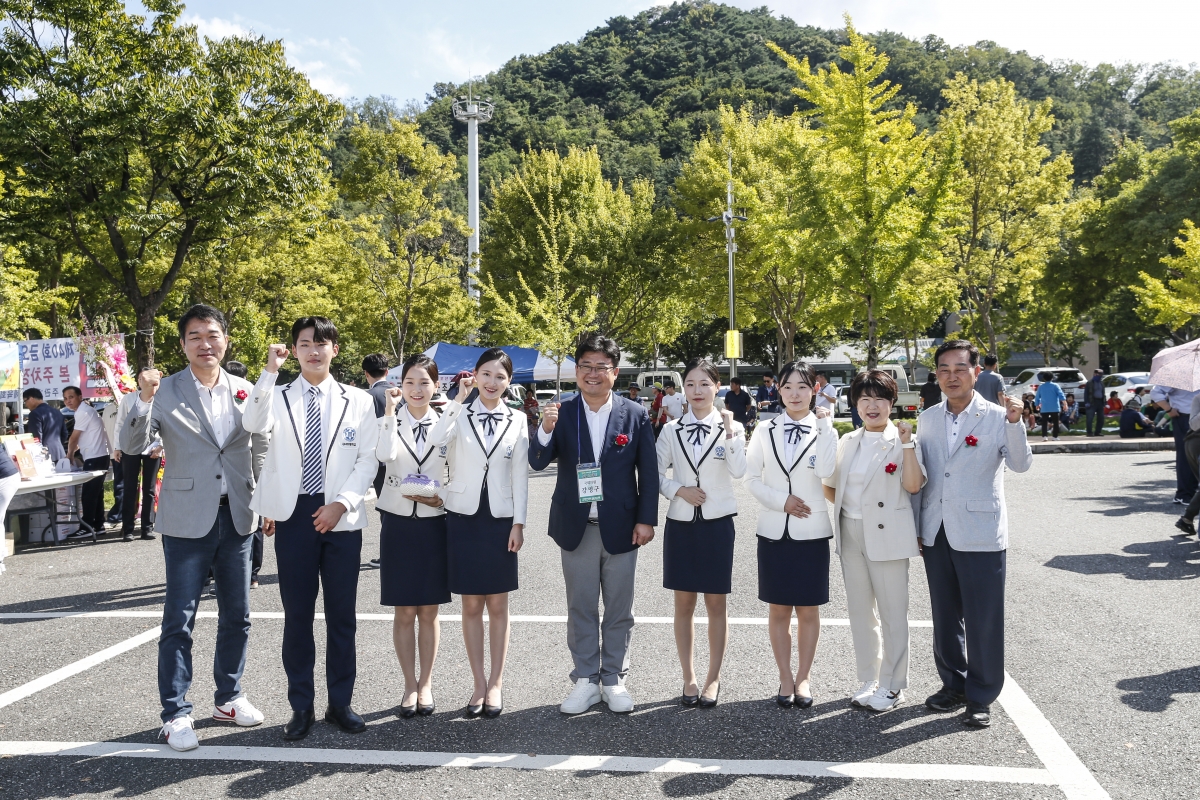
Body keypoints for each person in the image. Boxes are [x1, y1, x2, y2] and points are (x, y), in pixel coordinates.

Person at [121, 304, 268, 752]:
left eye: (213, 334)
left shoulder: (245, 389)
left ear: (226, 340)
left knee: (238, 616)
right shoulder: (164, 390)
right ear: (183, 344)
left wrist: (262, 498)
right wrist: (142, 398)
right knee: (179, 620)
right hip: (186, 518)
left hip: (238, 515)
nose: (206, 343)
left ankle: (229, 696)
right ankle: (175, 713)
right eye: (195, 336)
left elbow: (258, 446)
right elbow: (131, 444)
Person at [242, 317, 380, 741]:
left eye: (322, 343)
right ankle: (300, 705)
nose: (314, 350)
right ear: (295, 350)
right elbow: (250, 423)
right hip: (294, 515)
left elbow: (368, 459)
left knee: (343, 616)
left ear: (335, 349)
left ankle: (340, 703)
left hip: (341, 512)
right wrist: (269, 370)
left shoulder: (358, 399)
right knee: (297, 616)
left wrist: (341, 504)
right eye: (305, 344)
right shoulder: (278, 394)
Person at [529, 333, 657, 715]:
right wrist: (544, 428)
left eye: (601, 367)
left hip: (622, 526)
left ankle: (614, 677)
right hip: (576, 526)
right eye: (585, 366)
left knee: (619, 609)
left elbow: (647, 474)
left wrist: (646, 520)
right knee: (581, 606)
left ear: (615, 373)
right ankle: (586, 679)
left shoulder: (633, 414)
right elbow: (537, 461)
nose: (592, 373)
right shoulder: (562, 411)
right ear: (577, 371)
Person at [916, 339, 1031, 729]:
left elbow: (1019, 465)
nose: (951, 376)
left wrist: (1016, 424)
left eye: (960, 368)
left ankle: (981, 695)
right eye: (944, 369)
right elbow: (928, 477)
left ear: (976, 373)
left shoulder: (999, 416)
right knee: (945, 615)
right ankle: (953, 684)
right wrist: (919, 526)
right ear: (936, 375)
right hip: (936, 530)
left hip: (980, 530)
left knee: (983, 619)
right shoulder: (928, 418)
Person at [427, 348, 528, 719]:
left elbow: (521, 476)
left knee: (499, 605)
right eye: (486, 374)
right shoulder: (458, 414)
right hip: (464, 516)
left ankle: (497, 683)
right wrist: (457, 401)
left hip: (501, 519)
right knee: (471, 605)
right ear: (475, 376)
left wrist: (519, 522)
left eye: (499, 377)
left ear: (508, 382)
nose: (491, 382)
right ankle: (478, 684)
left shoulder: (517, 420)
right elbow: (434, 444)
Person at [824, 370, 925, 712]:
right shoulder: (848, 441)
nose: (872, 405)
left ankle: (893, 686)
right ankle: (870, 677)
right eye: (864, 398)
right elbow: (831, 485)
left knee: (893, 612)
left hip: (887, 534)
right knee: (860, 611)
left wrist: (909, 443)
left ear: (892, 403)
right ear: (855, 403)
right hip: (850, 532)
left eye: (880, 398)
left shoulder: (902, 440)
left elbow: (913, 486)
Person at [744, 360, 837, 709]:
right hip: (773, 529)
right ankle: (785, 676)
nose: (794, 394)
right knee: (779, 609)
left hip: (812, 531)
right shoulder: (764, 430)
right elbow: (751, 479)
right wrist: (781, 501)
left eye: (802, 386)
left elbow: (827, 472)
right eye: (787, 387)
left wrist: (827, 430)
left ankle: (805, 677)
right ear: (778, 390)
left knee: (809, 609)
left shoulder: (825, 428)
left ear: (814, 389)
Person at [656, 358, 745, 707]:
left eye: (704, 384)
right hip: (680, 523)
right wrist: (679, 490)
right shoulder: (670, 429)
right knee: (683, 603)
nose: (697, 391)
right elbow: (654, 473)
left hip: (718, 523)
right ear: (683, 389)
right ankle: (689, 677)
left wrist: (730, 430)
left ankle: (713, 678)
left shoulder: (731, 427)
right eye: (690, 384)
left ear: (717, 388)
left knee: (716, 604)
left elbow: (739, 470)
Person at [375, 353, 450, 718]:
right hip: (399, 521)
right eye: (409, 383)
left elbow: (457, 471)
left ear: (436, 385)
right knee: (404, 610)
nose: (417, 390)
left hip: (436, 519)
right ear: (399, 386)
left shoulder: (449, 422)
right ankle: (408, 684)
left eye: (424, 382)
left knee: (430, 611)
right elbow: (384, 455)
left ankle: (427, 684)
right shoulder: (387, 421)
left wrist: (443, 497)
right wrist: (390, 414)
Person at [223, 361, 263, 587]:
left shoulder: (251, 394)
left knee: (251, 524)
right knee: (251, 524)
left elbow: (260, 437)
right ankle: (252, 573)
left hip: (245, 471)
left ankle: (251, 572)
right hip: (243, 471)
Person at [113, 368, 163, 542]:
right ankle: (127, 528)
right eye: (142, 378)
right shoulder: (128, 399)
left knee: (149, 489)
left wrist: (161, 446)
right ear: (138, 381)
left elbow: (166, 423)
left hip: (153, 447)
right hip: (130, 447)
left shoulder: (160, 398)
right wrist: (118, 447)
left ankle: (147, 528)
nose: (145, 381)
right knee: (129, 487)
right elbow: (120, 423)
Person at [63, 385, 110, 537]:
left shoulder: (83, 412)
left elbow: (74, 438)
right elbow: (82, 439)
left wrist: (69, 455)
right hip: (99, 455)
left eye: (71, 397)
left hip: (96, 457)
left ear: (79, 396)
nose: (68, 401)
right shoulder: (86, 411)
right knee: (96, 493)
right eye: (65, 398)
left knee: (89, 494)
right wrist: (73, 450)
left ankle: (87, 526)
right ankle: (98, 525)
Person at [363, 353, 392, 568]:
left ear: (366, 373)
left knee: (386, 508)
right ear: (387, 371)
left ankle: (388, 554)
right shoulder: (397, 393)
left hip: (379, 461)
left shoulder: (367, 397)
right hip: (401, 457)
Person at [1150, 384, 1200, 504]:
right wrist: (1169, 409)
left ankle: (1190, 493)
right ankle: (1185, 494)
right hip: (1184, 417)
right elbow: (1156, 392)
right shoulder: (1179, 374)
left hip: (1194, 417)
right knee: (1186, 455)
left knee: (1193, 456)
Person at [23, 388, 67, 462]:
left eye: (25, 401)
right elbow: (64, 434)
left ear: (31, 398)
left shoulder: (34, 414)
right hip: (60, 453)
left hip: (44, 456)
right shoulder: (57, 412)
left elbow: (36, 438)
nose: (26, 404)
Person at [1033, 372, 1067, 442]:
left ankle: (1044, 436)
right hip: (1055, 407)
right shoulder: (1055, 386)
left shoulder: (1041, 387)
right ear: (1052, 378)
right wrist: (1065, 403)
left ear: (1044, 378)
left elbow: (1037, 397)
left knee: (1044, 422)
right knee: (1056, 422)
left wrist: (1037, 404)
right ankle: (1055, 436)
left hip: (1044, 407)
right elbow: (1061, 395)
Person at [1084, 369, 1106, 436]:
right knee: (1090, 418)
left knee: (1101, 418)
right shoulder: (1089, 383)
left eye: (1101, 374)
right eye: (1099, 374)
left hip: (1100, 402)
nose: (1100, 376)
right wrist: (1087, 402)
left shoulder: (1101, 383)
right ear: (1095, 374)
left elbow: (1103, 393)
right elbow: (1086, 393)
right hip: (1092, 402)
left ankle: (1098, 432)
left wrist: (1105, 402)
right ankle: (1089, 432)